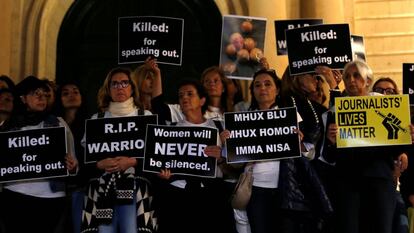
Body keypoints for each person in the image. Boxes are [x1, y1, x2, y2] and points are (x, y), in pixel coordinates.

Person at [325, 60, 414, 233]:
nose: (351, 80)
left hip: (380, 181)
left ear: (368, 81)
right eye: (347, 76)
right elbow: (329, 157)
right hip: (348, 184)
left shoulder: (386, 106)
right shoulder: (336, 109)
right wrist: (330, 141)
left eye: (356, 75)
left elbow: (395, 148)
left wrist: (405, 138)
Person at [80, 67, 157, 233]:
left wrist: (132, 161)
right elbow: (85, 160)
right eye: (114, 84)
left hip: (136, 190)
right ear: (108, 90)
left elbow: (156, 157)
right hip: (102, 190)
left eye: (124, 83)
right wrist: (99, 164)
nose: (120, 87)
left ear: (132, 88)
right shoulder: (97, 119)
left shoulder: (145, 116)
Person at [0, 75, 78, 233]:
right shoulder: (5, 127)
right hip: (16, 196)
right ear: (23, 98)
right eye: (36, 93)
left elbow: (73, 163)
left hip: (51, 198)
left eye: (44, 94)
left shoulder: (58, 123)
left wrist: (72, 167)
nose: (42, 97)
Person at [151, 75, 223, 233]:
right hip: (177, 195)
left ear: (202, 100)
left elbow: (235, 166)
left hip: (210, 196)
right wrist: (162, 174)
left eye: (190, 94)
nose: (184, 98)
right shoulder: (171, 129)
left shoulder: (219, 127)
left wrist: (222, 156)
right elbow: (160, 161)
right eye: (181, 95)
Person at [372, 77, 409, 233]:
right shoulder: (369, 123)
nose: (384, 94)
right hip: (375, 189)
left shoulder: (406, 124)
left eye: (390, 91)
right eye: (379, 90)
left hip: (401, 191)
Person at [53, 81, 90, 233]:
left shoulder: (91, 123)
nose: (71, 95)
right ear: (59, 99)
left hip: (82, 188)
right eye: (65, 93)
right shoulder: (53, 125)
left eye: (76, 91)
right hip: (57, 191)